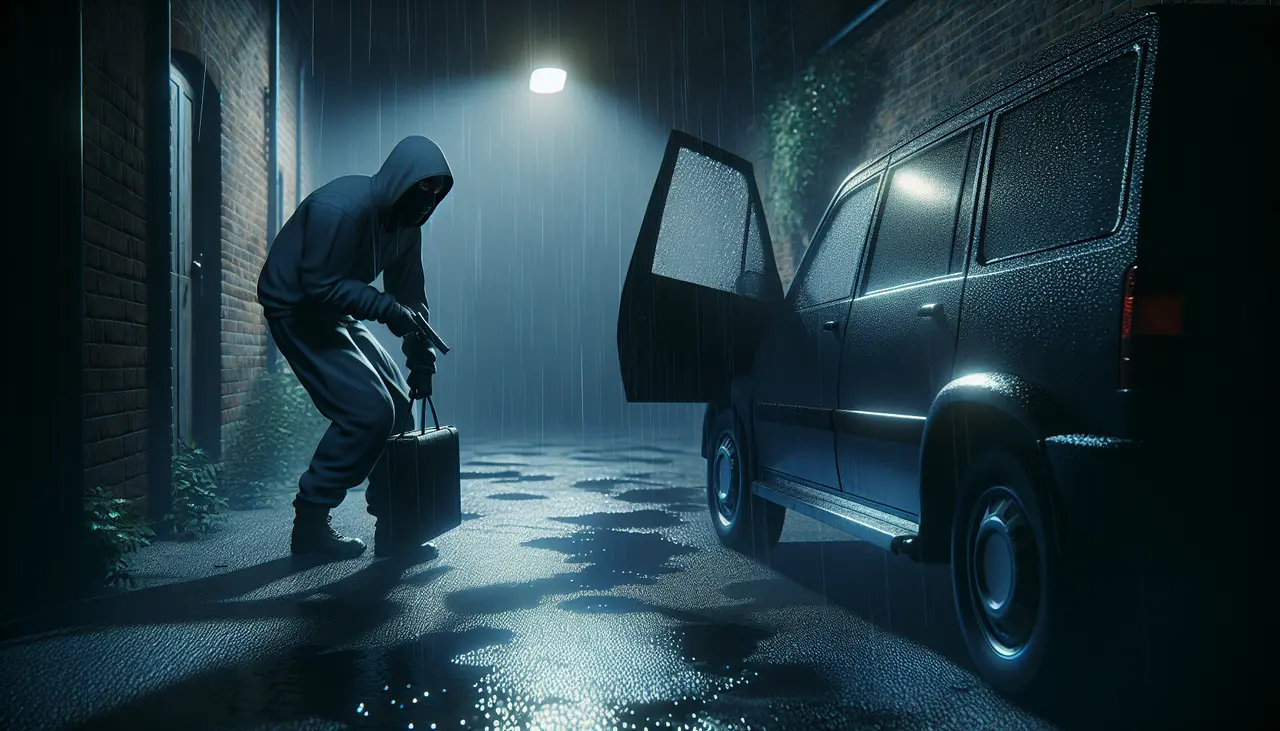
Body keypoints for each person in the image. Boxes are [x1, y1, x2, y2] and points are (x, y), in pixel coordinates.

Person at [257, 135, 452, 560]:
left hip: (334, 309)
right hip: (296, 306)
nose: (428, 200)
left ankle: (396, 527)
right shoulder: (341, 208)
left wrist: (422, 360)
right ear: (401, 180)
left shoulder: (405, 226)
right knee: (368, 412)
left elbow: (410, 298)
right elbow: (318, 283)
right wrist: (387, 310)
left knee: (398, 404)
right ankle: (310, 524)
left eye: (436, 192)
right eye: (422, 188)